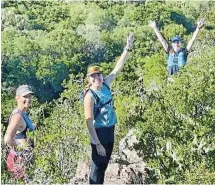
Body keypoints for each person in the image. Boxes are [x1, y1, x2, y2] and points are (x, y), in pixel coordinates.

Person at [84, 33, 134, 184]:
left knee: (104, 165)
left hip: (110, 129)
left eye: (98, 75)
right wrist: (97, 143)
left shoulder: (106, 84)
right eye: (93, 76)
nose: (97, 78)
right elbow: (88, 122)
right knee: (97, 165)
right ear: (89, 79)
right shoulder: (90, 96)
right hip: (99, 132)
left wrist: (128, 47)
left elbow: (118, 68)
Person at [4, 85, 36, 178]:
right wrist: (22, 147)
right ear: (17, 98)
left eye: (30, 96)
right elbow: (7, 139)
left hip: (25, 158)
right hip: (18, 159)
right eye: (25, 96)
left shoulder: (23, 113)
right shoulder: (17, 116)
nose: (28, 99)